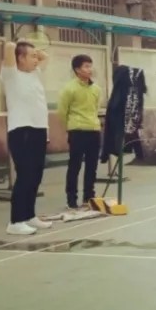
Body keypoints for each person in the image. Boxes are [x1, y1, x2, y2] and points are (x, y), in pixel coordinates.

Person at [0, 41, 51, 236]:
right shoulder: (11, 75)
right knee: (25, 175)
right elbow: (8, 47)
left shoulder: (35, 74)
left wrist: (35, 52)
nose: (36, 60)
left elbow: (46, 57)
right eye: (32, 56)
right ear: (20, 58)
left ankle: (29, 215)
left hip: (39, 129)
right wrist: (16, 44)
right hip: (22, 130)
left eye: (36, 57)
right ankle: (15, 221)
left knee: (36, 174)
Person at [58, 54, 102, 210]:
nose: (90, 69)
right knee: (74, 166)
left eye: (90, 66)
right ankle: (71, 199)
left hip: (94, 130)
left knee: (92, 166)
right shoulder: (69, 88)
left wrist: (95, 123)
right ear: (77, 69)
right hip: (77, 131)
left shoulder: (96, 89)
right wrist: (69, 127)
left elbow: (95, 109)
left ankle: (88, 197)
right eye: (86, 66)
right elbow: (62, 111)